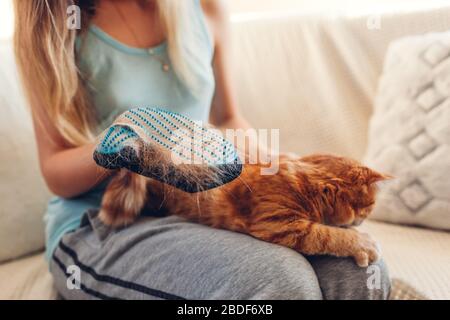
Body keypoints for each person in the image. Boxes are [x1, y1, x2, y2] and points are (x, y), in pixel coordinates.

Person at [13, 0, 390, 300]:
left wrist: (270, 160)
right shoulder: (55, 24)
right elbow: (56, 173)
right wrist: (122, 143)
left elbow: (227, 119)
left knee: (359, 272)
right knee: (281, 285)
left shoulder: (204, 7)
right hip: (103, 221)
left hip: (199, 206)